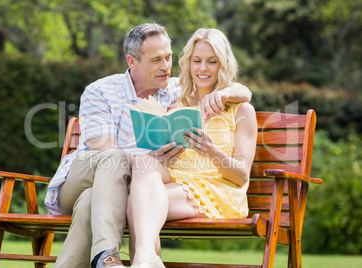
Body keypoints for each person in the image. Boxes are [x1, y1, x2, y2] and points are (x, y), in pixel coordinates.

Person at [44, 23, 252, 268]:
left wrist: (226, 93)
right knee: (117, 159)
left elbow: (237, 90)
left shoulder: (175, 90)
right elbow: (104, 151)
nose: (165, 66)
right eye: (156, 60)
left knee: (94, 201)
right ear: (132, 61)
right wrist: (152, 158)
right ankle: (109, 257)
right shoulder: (100, 91)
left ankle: (131, 261)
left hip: (127, 188)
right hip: (84, 177)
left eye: (168, 57)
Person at [126, 28, 258, 267]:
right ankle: (148, 260)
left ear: (223, 64)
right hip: (179, 182)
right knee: (145, 164)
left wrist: (212, 151)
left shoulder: (241, 110)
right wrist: (161, 153)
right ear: (188, 63)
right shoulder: (178, 106)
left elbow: (241, 176)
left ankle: (144, 260)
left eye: (211, 61)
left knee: (136, 204)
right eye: (197, 61)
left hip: (220, 190)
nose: (203, 68)